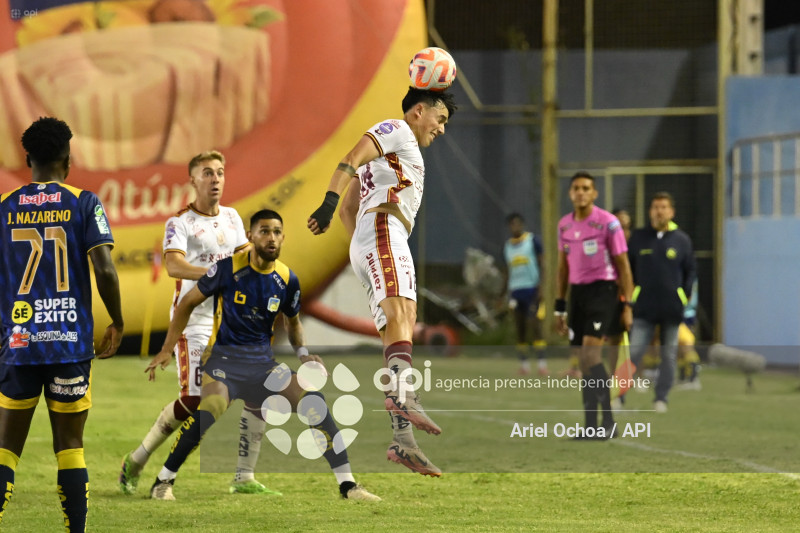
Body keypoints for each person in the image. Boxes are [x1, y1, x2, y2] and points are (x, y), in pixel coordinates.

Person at [146, 209, 379, 501]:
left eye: (277, 232)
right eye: (265, 231)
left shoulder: (287, 278)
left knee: (314, 401)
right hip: (224, 364)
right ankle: (163, 481)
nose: (271, 238)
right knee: (211, 407)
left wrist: (304, 354)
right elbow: (186, 304)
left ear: (283, 237)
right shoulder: (226, 269)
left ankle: (348, 486)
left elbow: (293, 323)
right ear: (250, 236)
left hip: (263, 369)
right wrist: (166, 349)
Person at [307, 87, 456, 475]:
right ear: (419, 111)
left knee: (398, 326)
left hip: (376, 236)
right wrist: (328, 203)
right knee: (402, 314)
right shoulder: (398, 130)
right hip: (383, 230)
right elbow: (351, 158)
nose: (441, 129)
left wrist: (360, 247)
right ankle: (405, 397)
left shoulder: (394, 156)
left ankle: (403, 441)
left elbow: (350, 207)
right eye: (440, 119)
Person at [119, 150, 277, 495]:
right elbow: (174, 266)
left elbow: (244, 261)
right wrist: (214, 274)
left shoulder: (233, 218)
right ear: (192, 180)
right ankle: (138, 461)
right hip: (194, 321)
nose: (215, 179)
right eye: (207, 173)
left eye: (220, 172)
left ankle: (244, 477)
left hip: (230, 322)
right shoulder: (180, 223)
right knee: (194, 402)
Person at [0, 117, 124, 532]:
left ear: (28, 159)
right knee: (70, 446)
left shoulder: (4, 206)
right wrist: (117, 320)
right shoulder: (84, 202)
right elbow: (104, 270)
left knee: (5, 448)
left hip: (19, 343)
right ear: (68, 160)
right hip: (68, 343)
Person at [555, 171, 633, 439]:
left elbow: (623, 266)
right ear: (570, 193)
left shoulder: (608, 223)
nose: (580, 193)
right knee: (584, 362)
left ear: (594, 193)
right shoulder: (564, 225)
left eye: (586, 188)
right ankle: (590, 426)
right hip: (577, 295)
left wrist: (627, 305)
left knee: (591, 356)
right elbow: (562, 269)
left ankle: (609, 422)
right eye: (576, 188)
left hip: (603, 292)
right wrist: (559, 307)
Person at [627, 194, 696, 412]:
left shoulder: (682, 240)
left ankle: (661, 398)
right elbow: (627, 270)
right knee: (633, 352)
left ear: (671, 212)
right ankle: (617, 396)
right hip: (643, 308)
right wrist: (630, 299)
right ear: (650, 211)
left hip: (671, 309)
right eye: (656, 207)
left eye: (664, 207)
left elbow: (690, 272)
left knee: (668, 355)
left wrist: (682, 297)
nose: (659, 211)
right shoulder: (638, 238)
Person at [503, 213, 547, 375]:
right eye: (512, 224)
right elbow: (507, 271)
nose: (515, 227)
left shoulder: (532, 241)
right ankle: (524, 365)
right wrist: (503, 293)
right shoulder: (508, 246)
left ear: (522, 225)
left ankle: (542, 364)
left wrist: (541, 287)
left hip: (531, 289)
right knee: (519, 327)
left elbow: (542, 264)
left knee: (535, 325)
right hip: (516, 291)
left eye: (518, 224)